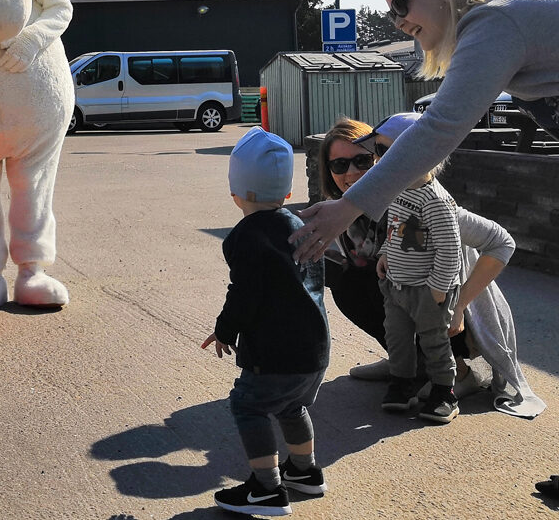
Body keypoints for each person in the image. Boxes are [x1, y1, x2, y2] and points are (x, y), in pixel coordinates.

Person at [292, 0, 559, 263]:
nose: (397, 22)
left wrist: (348, 207)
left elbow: (440, 128)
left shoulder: (495, 20)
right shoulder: (515, 1)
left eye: (401, 5)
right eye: (391, 13)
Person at [320, 117, 546, 419]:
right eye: (339, 165)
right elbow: (400, 241)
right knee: (348, 277)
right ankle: (405, 362)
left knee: (386, 283)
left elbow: (501, 242)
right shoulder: (355, 211)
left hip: (448, 310)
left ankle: (458, 374)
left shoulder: (431, 203)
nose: (351, 173)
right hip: (406, 293)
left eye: (364, 159)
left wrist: (458, 303)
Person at [201, 127, 329, 517]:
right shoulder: (299, 226)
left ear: (239, 194)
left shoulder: (245, 237)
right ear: (286, 193)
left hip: (274, 351)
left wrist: (224, 330)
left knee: (248, 405)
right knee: (291, 406)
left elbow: (244, 292)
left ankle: (267, 489)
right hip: (314, 349)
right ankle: (305, 472)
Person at [355, 113, 462, 424]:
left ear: (420, 152)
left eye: (386, 152)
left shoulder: (436, 200)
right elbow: (400, 231)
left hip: (428, 289)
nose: (378, 160)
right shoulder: (400, 190)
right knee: (398, 337)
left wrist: (439, 288)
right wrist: (387, 252)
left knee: (434, 340)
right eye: (376, 151)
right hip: (397, 285)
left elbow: (450, 248)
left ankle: (444, 391)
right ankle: (403, 383)